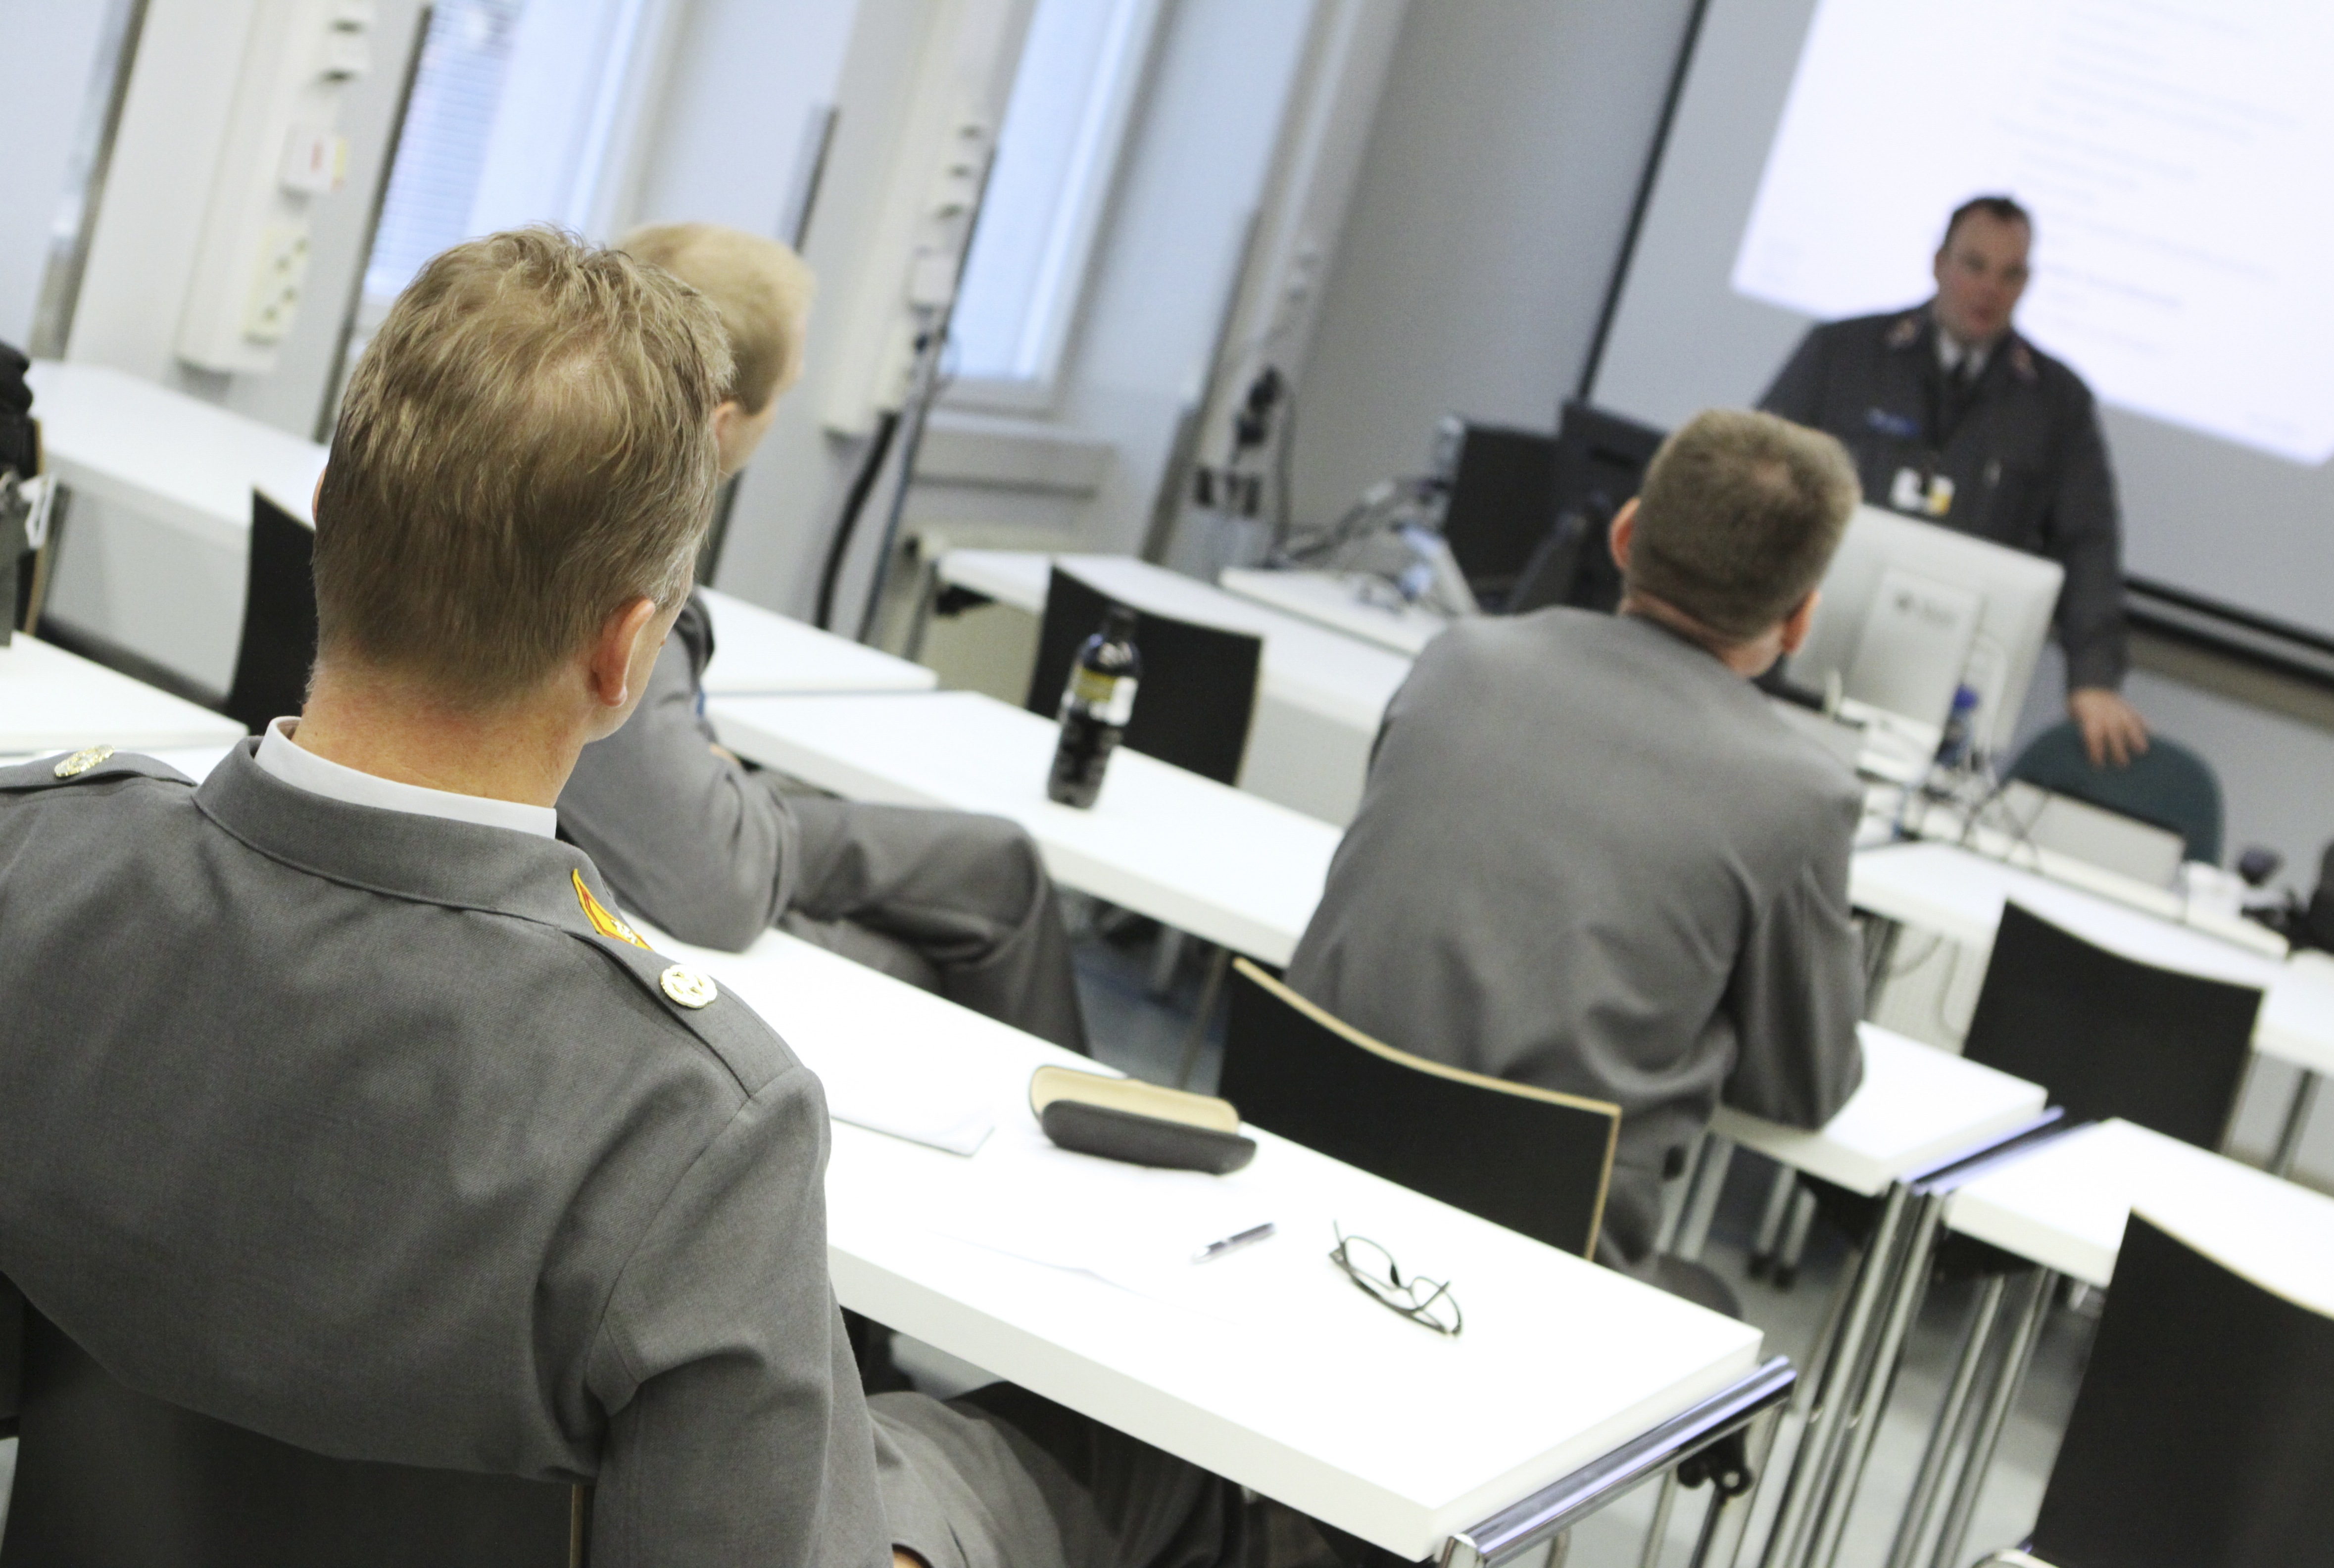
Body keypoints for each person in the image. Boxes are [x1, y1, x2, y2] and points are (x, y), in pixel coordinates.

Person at [0, 228, 1227, 1568]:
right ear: (629, 652)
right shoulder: (691, 1121)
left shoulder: (33, 868)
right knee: (1135, 1475)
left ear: (333, 535)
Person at [1284, 409, 1867, 1278]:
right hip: (1541, 1266)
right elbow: (1802, 1086)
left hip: (1295, 1173)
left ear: (1625, 534)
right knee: (1712, 1315)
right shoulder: (1800, 795)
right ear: (1799, 619)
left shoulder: (1459, 659)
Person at [557, 221, 1088, 1052]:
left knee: (955, 904)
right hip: (645, 897)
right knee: (992, 880)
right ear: (721, 422)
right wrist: (732, 796)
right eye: (786, 393)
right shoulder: (618, 574)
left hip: (643, 853)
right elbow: (707, 876)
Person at [1760, 194, 2149, 768]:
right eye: (1974, 265)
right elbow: (1755, 477)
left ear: (2027, 284)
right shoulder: (1844, 353)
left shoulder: (2057, 402)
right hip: (1801, 657)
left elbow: (2088, 544)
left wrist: (2094, 678)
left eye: (2010, 274)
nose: (1989, 289)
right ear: (1940, 262)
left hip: (1951, 705)